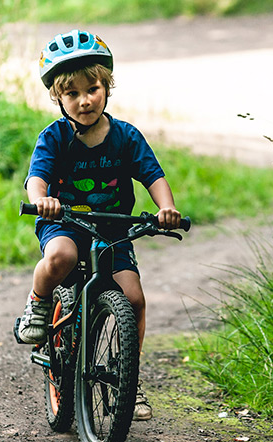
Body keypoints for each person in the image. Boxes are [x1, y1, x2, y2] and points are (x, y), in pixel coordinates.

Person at [13, 29, 181, 421]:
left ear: (107, 87)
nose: (84, 100)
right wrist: (42, 201)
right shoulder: (54, 137)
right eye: (72, 94)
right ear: (58, 97)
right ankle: (38, 304)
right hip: (66, 223)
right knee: (62, 256)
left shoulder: (125, 136)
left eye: (92, 89)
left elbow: (153, 176)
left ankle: (128, 377)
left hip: (112, 230)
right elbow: (36, 178)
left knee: (134, 298)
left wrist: (167, 208)